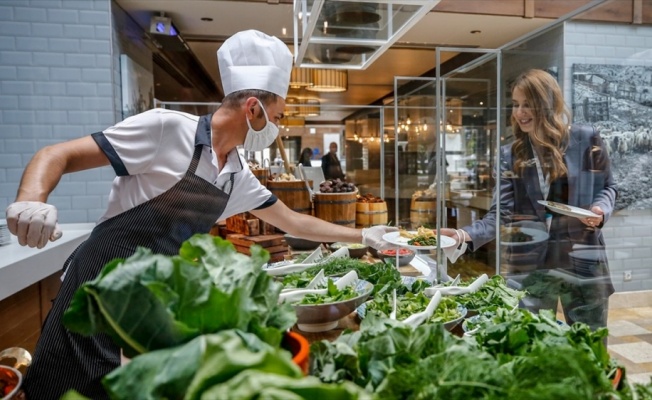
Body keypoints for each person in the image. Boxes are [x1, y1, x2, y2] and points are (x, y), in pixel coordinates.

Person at [5, 29, 395, 400]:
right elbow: (55, 155)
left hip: (153, 305)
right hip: (97, 292)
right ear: (253, 108)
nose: (277, 125)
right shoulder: (166, 129)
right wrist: (31, 199)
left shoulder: (236, 176)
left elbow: (294, 222)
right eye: (277, 115)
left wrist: (364, 236)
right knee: (61, 387)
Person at [441, 69, 617, 330]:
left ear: (547, 105)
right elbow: (500, 213)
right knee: (534, 343)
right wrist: (462, 235)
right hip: (531, 264)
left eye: (527, 104)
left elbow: (608, 186)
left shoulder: (586, 138)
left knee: (589, 348)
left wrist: (600, 209)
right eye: (515, 104)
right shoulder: (510, 154)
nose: (519, 112)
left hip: (583, 261)